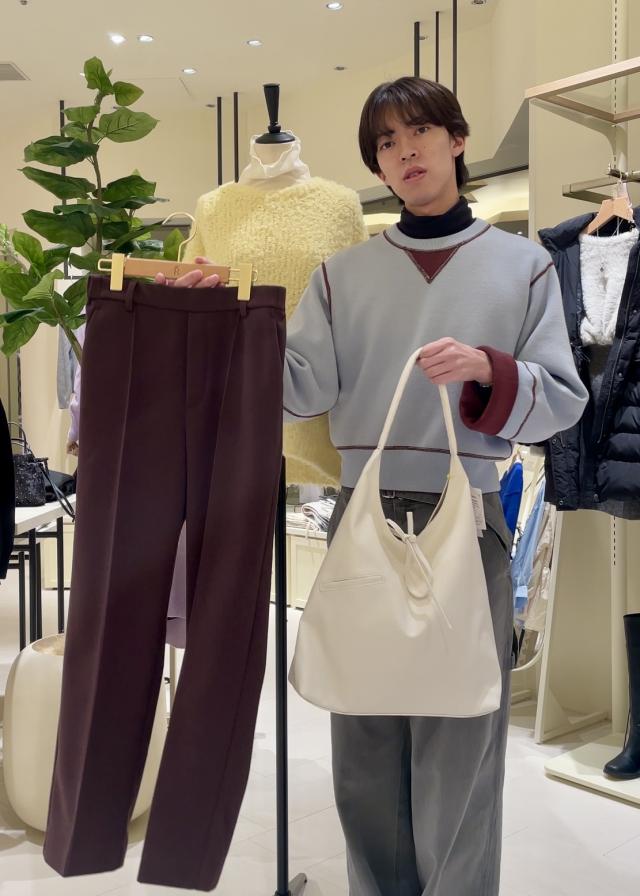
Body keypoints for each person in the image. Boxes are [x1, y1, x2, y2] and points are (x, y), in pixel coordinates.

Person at [156, 77, 587, 896]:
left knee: (461, 740)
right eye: (386, 142)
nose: (404, 151)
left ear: (457, 140)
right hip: (362, 510)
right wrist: (222, 319)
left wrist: (487, 369)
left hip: (468, 518)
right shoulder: (342, 275)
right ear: (377, 166)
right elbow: (297, 392)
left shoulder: (524, 266)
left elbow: (561, 403)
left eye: (418, 131)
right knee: (363, 742)